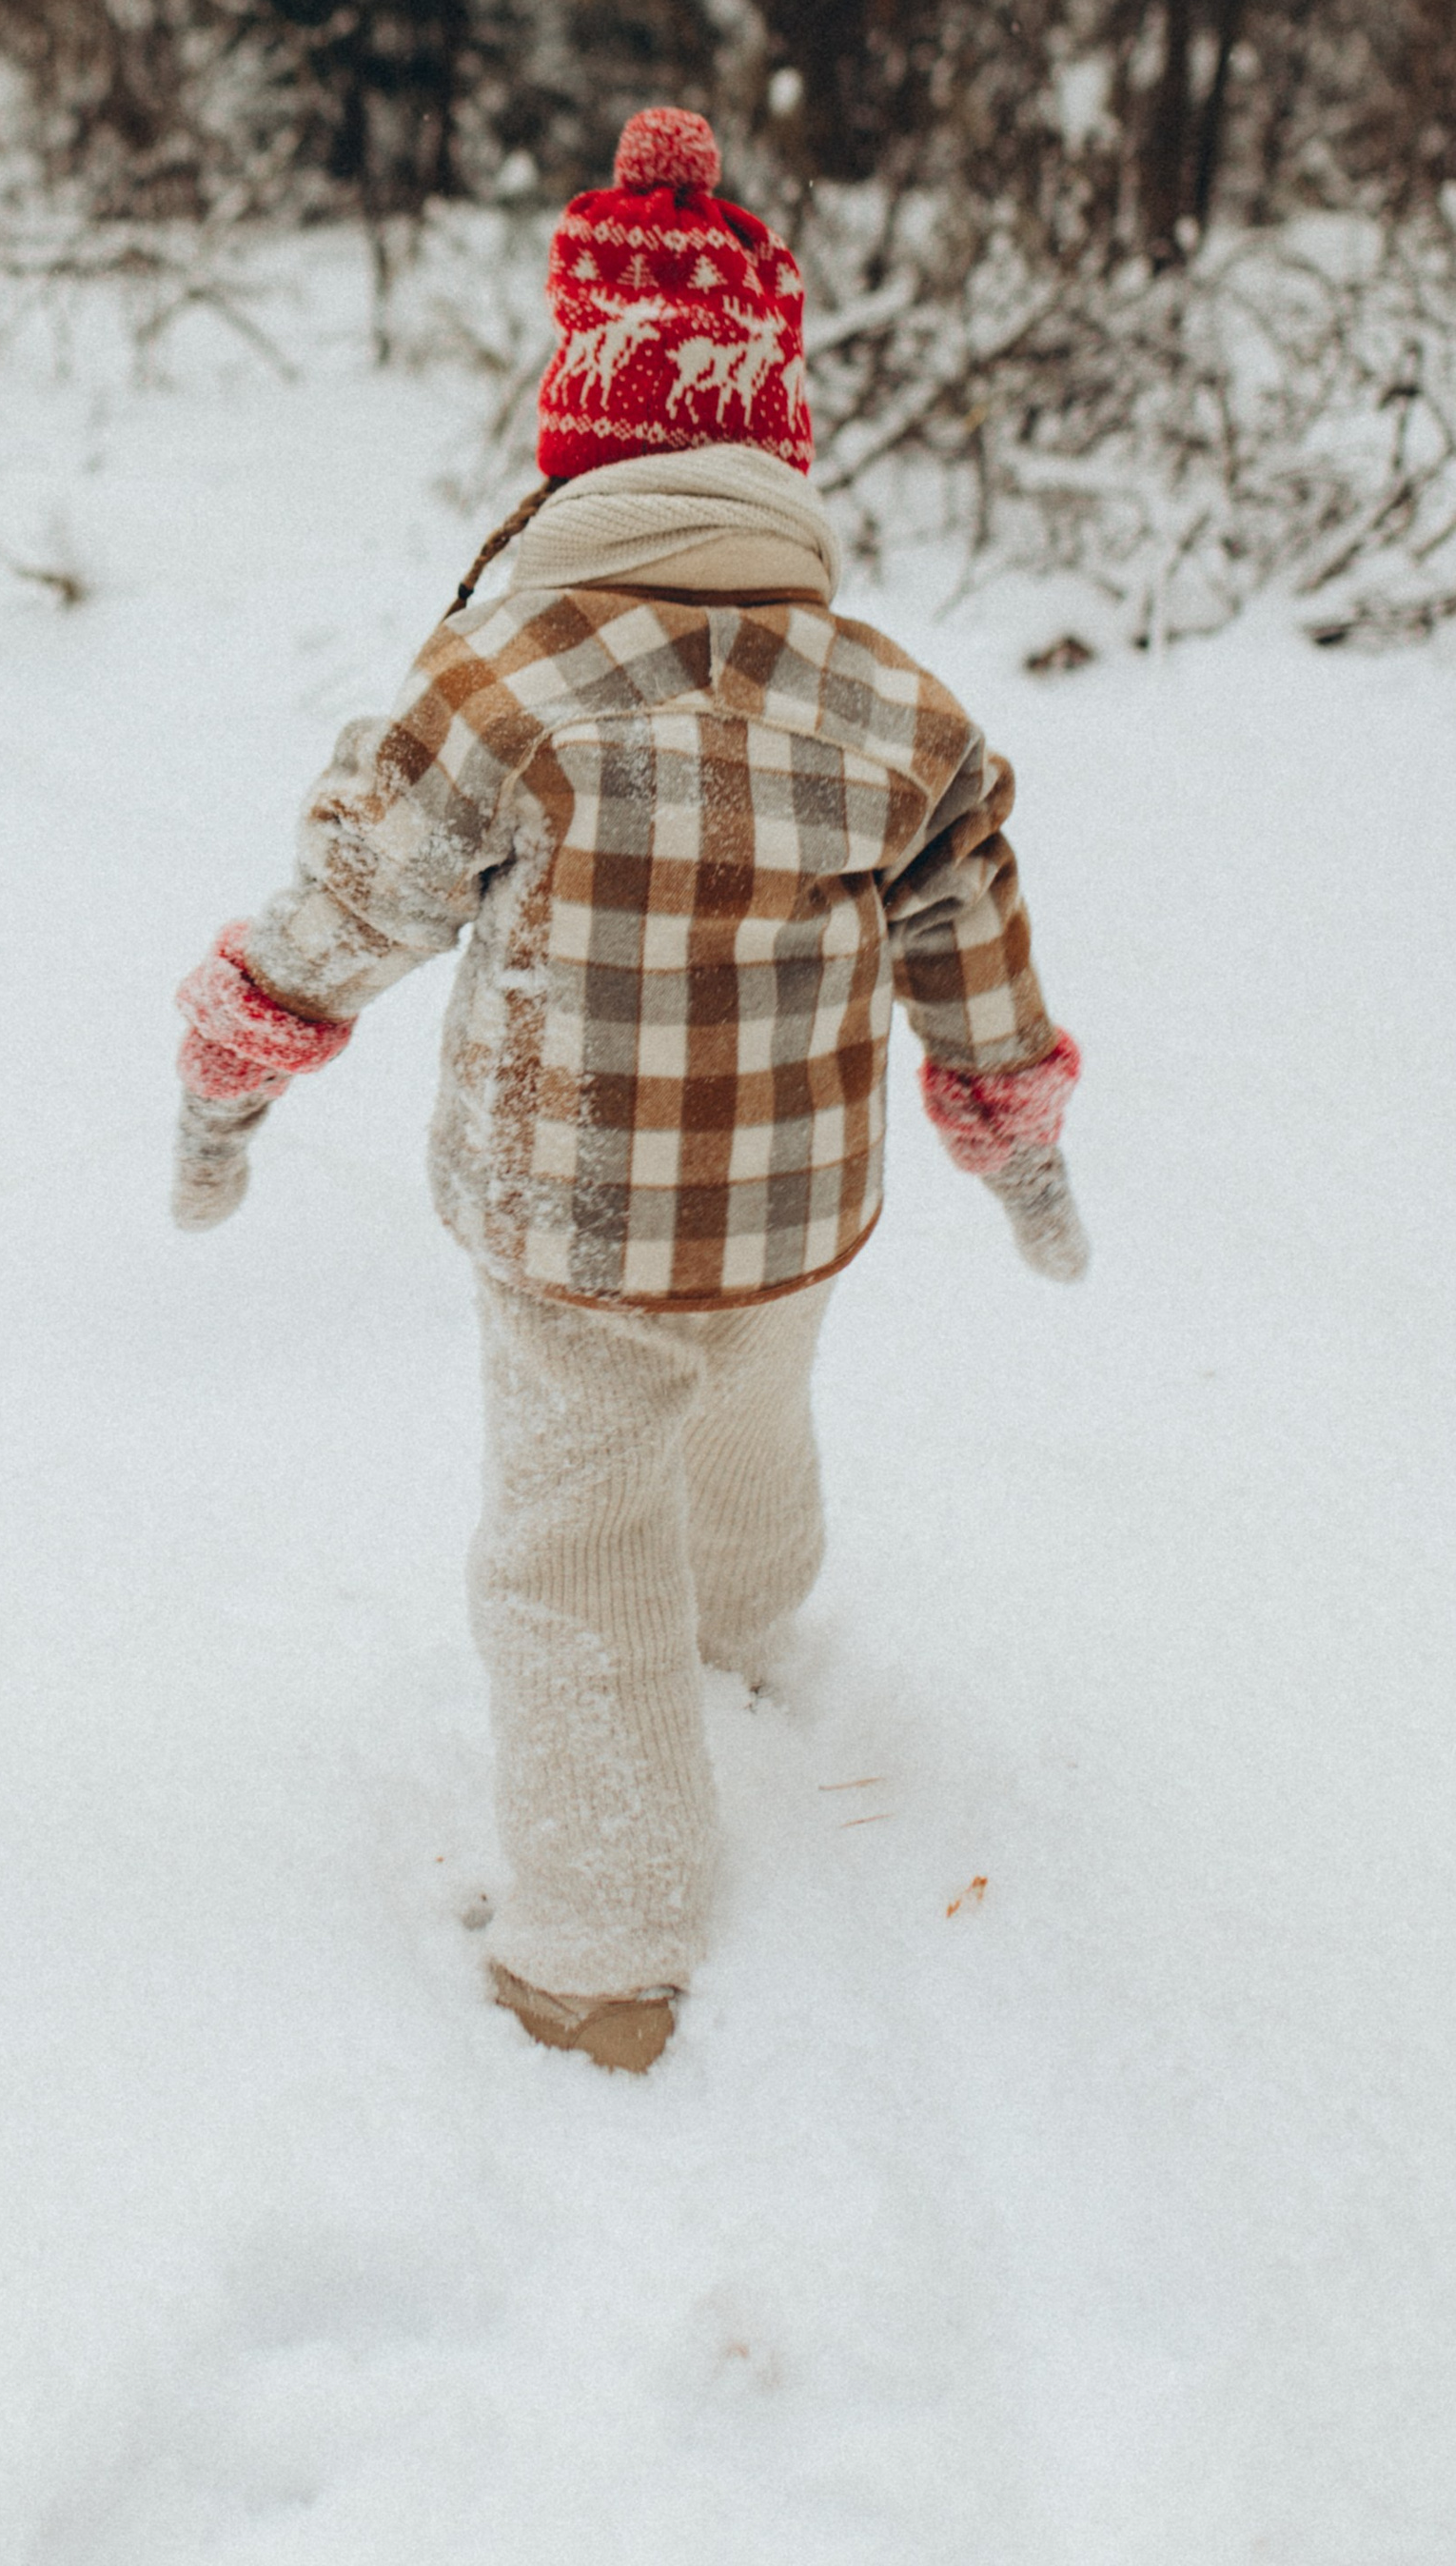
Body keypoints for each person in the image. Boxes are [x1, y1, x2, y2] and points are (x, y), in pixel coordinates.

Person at [170, 108, 1085, 2077]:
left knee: (566, 1552)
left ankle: (595, 1950)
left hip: (571, 1220)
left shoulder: (504, 687)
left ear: (569, 440)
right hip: (786, 1207)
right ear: (778, 444)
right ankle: (740, 1652)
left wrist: (244, 1039)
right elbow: (972, 950)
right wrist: (1009, 1126)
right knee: (748, 1423)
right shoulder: (895, 705)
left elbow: (357, 894)